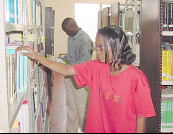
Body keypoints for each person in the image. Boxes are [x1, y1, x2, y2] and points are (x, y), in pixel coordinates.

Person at [17, 25, 156, 133]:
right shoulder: (96, 67)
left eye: (102, 47)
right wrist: (38, 57)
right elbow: (67, 69)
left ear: (119, 45)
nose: (98, 52)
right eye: (97, 47)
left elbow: (141, 117)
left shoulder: (137, 78)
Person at [60, 18, 93, 133]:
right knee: (71, 107)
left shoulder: (85, 39)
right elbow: (70, 57)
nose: (66, 33)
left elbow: (85, 62)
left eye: (67, 30)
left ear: (73, 26)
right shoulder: (70, 38)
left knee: (81, 108)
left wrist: (69, 68)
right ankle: (70, 131)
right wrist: (60, 60)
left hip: (80, 79)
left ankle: (85, 130)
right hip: (69, 78)